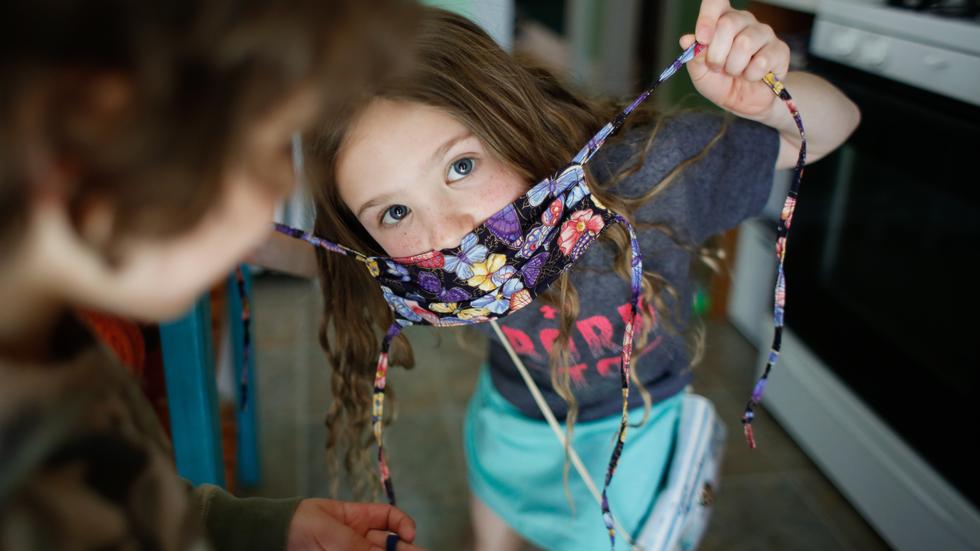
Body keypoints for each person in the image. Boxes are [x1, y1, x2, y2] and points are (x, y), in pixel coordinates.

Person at [261, 1, 860, 549]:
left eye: (461, 166)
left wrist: (764, 96)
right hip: (512, 419)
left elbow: (837, 123)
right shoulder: (416, 270)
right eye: (395, 213)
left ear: (510, 117)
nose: (447, 236)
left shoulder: (647, 177)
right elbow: (321, 262)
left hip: (640, 428)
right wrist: (213, 231)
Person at [0, 1, 427, 550]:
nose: (283, 186)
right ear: (96, 136)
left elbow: (136, 499)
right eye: (269, 147)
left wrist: (259, 528)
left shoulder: (48, 340)